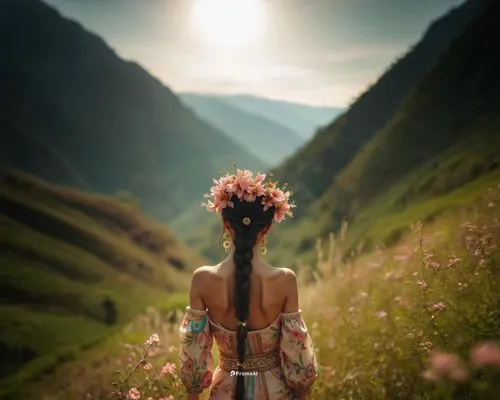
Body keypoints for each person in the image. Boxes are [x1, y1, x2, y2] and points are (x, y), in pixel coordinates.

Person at [179, 169, 318, 399]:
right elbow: (298, 358)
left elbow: (193, 357)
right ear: (267, 228)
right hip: (276, 392)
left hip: (225, 391)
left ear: (225, 223)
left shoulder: (202, 279)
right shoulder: (285, 280)